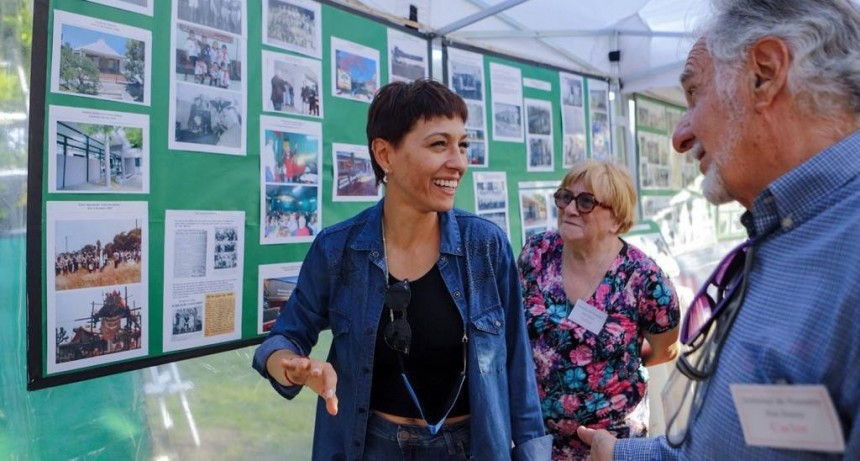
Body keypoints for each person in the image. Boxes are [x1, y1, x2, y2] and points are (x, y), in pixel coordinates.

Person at [578, 0, 860, 459]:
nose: (680, 136)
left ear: (764, 74)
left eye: (694, 95)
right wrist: (619, 453)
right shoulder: (785, 234)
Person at [252, 78, 551, 460]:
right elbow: (284, 340)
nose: (458, 162)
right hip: (372, 446)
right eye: (439, 144)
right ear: (385, 154)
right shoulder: (338, 249)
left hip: (472, 447)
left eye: (462, 145)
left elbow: (517, 369)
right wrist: (294, 369)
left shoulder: (485, 247)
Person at [518, 160, 680, 460]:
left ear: (616, 220)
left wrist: (615, 364)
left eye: (586, 202)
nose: (569, 208)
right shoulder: (537, 253)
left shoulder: (644, 279)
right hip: (540, 439)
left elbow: (665, 350)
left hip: (609, 444)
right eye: (565, 197)